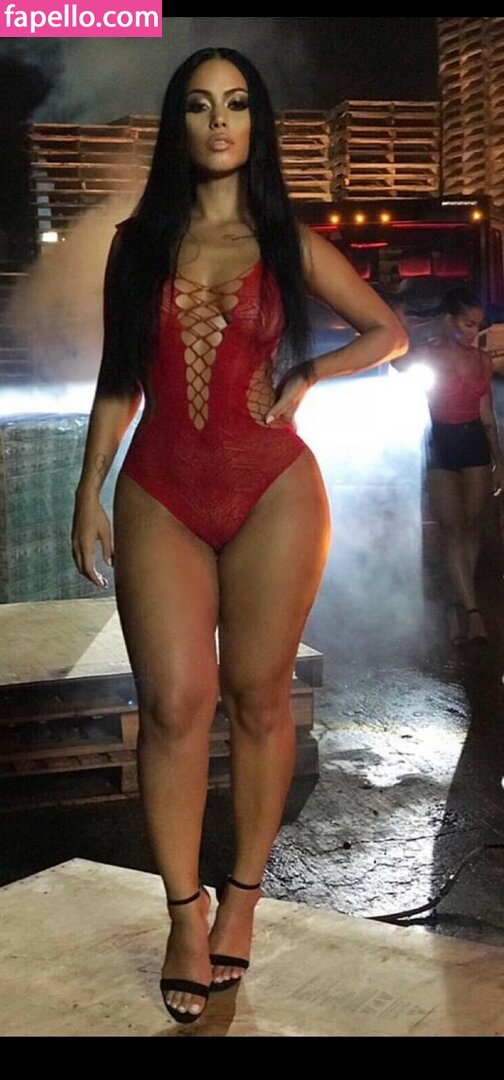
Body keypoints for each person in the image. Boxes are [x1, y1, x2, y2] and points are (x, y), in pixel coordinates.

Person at [71, 47, 407, 1025]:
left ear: (256, 124)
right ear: (177, 126)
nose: (219, 121)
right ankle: (185, 912)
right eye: (198, 105)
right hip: (161, 489)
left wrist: (309, 376)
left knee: (260, 697)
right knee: (174, 704)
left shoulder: (286, 240)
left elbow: (388, 332)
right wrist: (89, 487)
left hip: (273, 490)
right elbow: (120, 377)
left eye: (236, 104)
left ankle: (244, 896)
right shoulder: (138, 243)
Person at [415, 287, 504, 644]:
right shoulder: (430, 352)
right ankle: (472, 612)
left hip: (474, 442)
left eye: (478, 325)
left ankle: (457, 603)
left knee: (470, 527)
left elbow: (487, 415)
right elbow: (396, 358)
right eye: (467, 324)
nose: (473, 332)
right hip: (441, 441)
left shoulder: (481, 360)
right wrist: (424, 332)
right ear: (449, 320)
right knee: (452, 529)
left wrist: (499, 461)